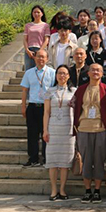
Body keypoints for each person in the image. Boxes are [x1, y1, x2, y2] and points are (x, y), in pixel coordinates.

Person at [71, 63, 106, 204]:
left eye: (98, 70)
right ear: (88, 73)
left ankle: (97, 190)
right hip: (84, 129)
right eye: (93, 70)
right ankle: (87, 190)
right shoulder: (80, 90)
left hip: (101, 129)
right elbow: (74, 106)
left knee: (99, 161)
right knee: (86, 161)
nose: (95, 72)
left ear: (102, 73)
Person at [42, 65, 76, 200]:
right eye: (60, 73)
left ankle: (62, 189)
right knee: (53, 161)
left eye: (65, 73)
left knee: (64, 163)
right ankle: (53, 190)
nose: (62, 76)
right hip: (53, 129)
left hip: (68, 130)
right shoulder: (50, 91)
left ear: (69, 76)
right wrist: (45, 130)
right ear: (56, 76)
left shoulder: (74, 91)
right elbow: (46, 112)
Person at [20, 49, 54, 167]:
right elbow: (25, 90)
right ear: (35, 58)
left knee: (46, 133)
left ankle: (45, 158)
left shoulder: (52, 73)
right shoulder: (29, 73)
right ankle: (33, 158)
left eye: (43, 57)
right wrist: (23, 106)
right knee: (32, 134)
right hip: (33, 106)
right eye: (38, 56)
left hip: (46, 107)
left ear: (47, 59)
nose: (40, 59)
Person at [23, 5, 50, 70]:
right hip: (29, 50)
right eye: (34, 12)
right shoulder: (27, 25)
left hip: (40, 49)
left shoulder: (45, 25)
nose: (36, 14)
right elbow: (25, 39)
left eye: (38, 12)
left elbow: (46, 40)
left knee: (40, 69)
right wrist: (27, 50)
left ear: (42, 14)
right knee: (28, 70)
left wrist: (40, 51)